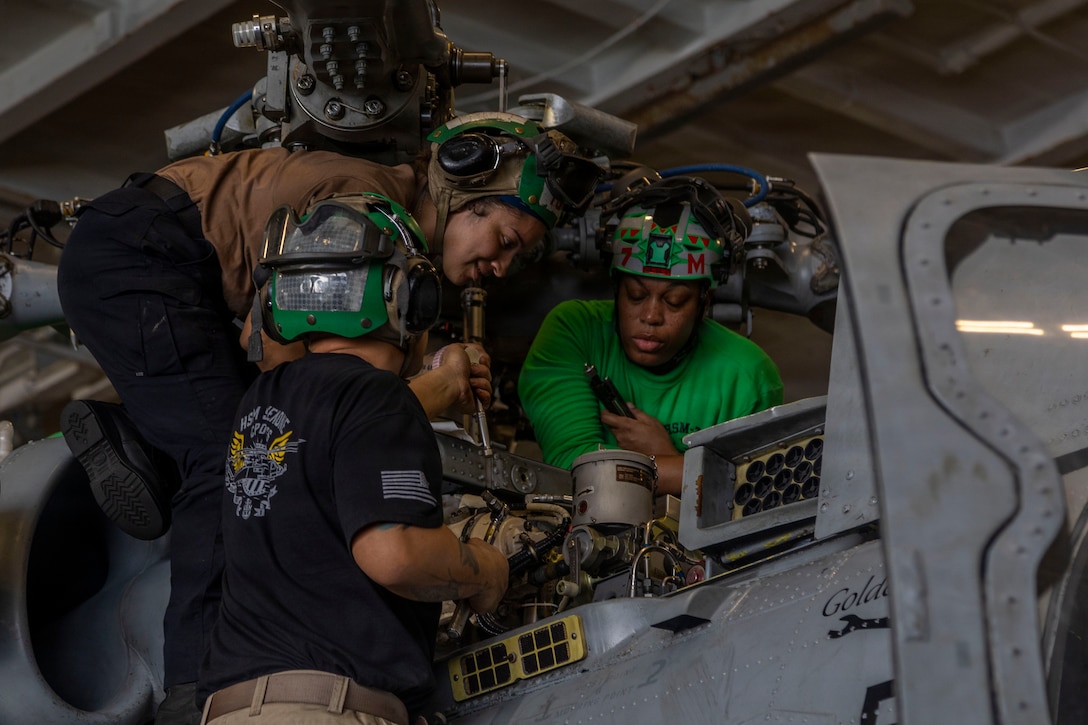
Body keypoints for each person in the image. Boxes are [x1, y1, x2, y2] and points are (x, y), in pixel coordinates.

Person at [55, 110, 600, 723]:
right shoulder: (354, 216)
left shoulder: (380, 222)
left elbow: (316, 412)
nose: (501, 268)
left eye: (518, 259)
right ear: (463, 192)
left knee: (246, 447)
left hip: (152, 262)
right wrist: (436, 387)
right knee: (232, 469)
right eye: (503, 240)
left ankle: (148, 443)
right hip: (144, 260)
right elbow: (304, 421)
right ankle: (191, 689)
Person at [195, 192, 509, 723]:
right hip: (328, 708)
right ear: (412, 301)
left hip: (232, 708)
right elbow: (396, 555)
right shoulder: (376, 398)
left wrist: (443, 379)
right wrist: (484, 570)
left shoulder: (262, 401)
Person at [518, 177, 784, 496]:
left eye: (675, 301)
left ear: (704, 302)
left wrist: (662, 455)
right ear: (616, 289)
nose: (650, 317)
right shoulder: (573, 331)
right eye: (635, 295)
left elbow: (751, 492)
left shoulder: (748, 377)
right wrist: (676, 465)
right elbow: (574, 468)